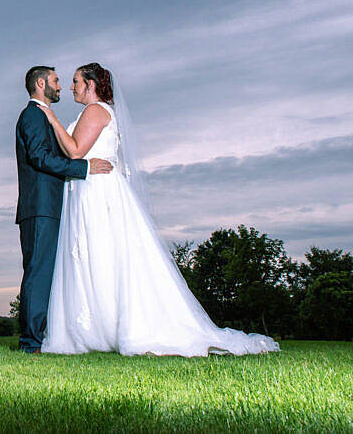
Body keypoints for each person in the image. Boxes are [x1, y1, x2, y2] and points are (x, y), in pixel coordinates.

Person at [37, 62, 280, 356]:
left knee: (101, 252)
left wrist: (51, 119)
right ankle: (97, 328)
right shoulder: (93, 112)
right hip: (88, 189)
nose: (71, 86)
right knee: (95, 256)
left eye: (76, 81)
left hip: (98, 194)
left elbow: (76, 151)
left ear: (90, 84)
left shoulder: (96, 111)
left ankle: (113, 327)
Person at [14, 66, 113, 353]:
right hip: (40, 207)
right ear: (42, 83)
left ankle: (41, 338)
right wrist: (83, 167)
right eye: (57, 81)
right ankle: (30, 343)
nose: (62, 87)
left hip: (51, 206)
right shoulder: (32, 115)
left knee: (46, 273)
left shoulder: (43, 116)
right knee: (38, 273)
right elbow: (40, 158)